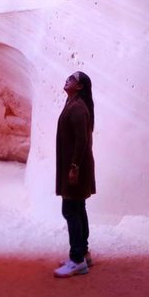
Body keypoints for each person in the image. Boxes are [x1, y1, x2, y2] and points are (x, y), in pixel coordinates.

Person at [54, 71, 96, 278]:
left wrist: (74, 167)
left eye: (72, 78)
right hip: (76, 166)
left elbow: (82, 141)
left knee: (70, 210)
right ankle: (84, 253)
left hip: (76, 168)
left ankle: (77, 260)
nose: (67, 79)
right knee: (78, 208)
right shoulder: (73, 103)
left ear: (79, 86)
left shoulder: (77, 108)